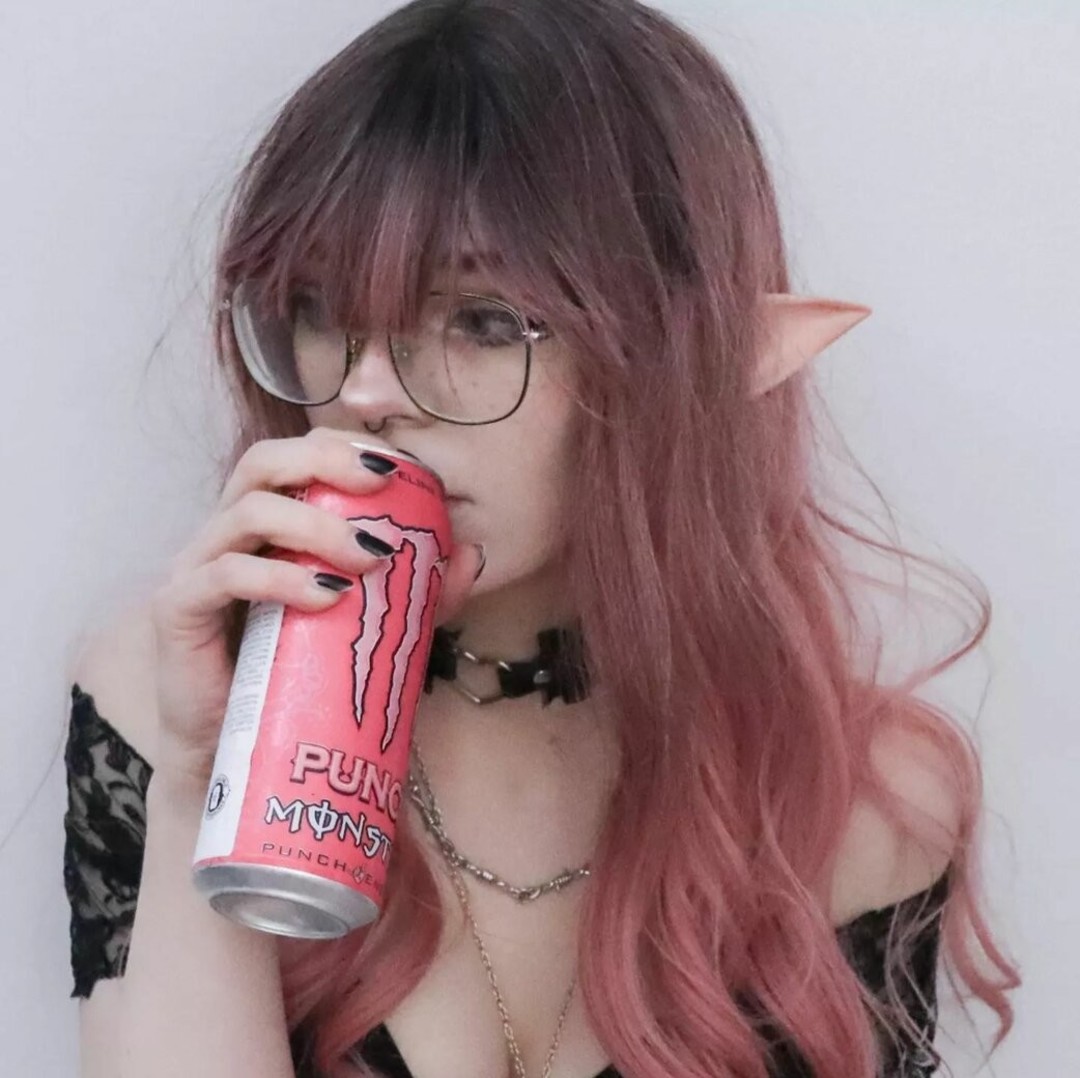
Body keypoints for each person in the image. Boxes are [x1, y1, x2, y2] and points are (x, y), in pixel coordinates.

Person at [62, 1, 1020, 1076]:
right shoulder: (168, 698)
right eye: (319, 308)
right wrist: (201, 781)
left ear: (676, 353)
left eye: (479, 320)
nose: (364, 393)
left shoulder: (868, 796)